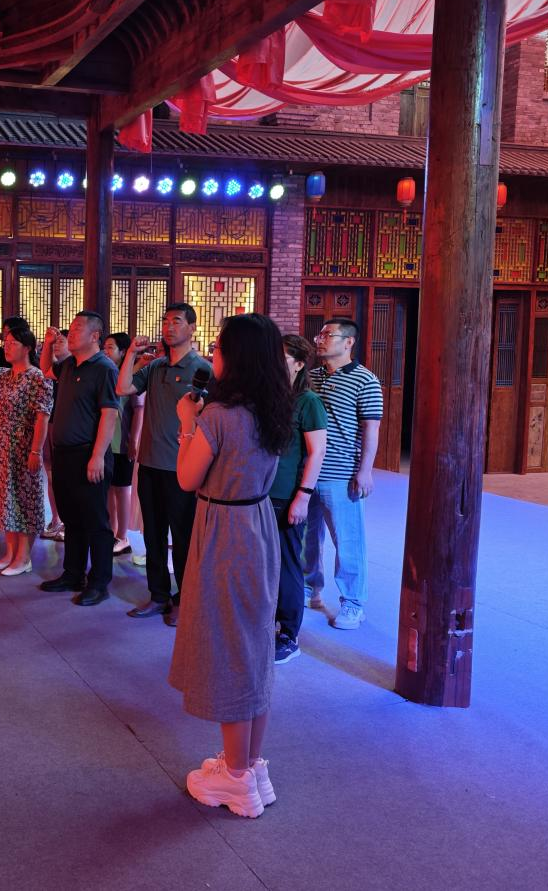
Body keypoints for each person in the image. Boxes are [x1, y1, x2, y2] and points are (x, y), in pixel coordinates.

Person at [170, 312, 292, 819]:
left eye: (218, 347)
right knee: (253, 643)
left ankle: (236, 779)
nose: (212, 354)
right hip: (258, 525)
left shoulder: (219, 416)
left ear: (235, 357)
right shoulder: (273, 408)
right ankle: (250, 765)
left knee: (228, 647)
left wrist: (186, 423)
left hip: (224, 531)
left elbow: (186, 478)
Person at [115, 303, 213, 626]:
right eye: (165, 321)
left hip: (183, 469)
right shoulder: (154, 367)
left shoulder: (203, 369)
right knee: (153, 536)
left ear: (192, 328)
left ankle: (185, 600)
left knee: (183, 539)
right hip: (150, 464)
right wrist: (131, 353)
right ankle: (158, 595)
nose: (169, 327)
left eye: (177, 321)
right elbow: (122, 388)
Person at [303, 319, 383, 630]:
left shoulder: (365, 380)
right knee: (306, 537)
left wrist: (365, 471)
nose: (320, 339)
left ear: (349, 342)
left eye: (328, 335)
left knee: (347, 541)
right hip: (307, 472)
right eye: (320, 334)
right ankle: (309, 587)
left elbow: (371, 429)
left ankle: (353, 603)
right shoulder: (311, 377)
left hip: (341, 474)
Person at [38, 312, 119, 606]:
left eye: (77, 329)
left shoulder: (104, 368)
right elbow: (46, 369)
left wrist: (97, 456)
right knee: (72, 518)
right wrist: (49, 343)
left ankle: (99, 582)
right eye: (69, 329)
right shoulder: (70, 364)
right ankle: (73, 574)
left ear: (95, 336)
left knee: (95, 521)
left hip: (88, 454)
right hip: (64, 454)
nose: (70, 333)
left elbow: (109, 414)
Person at [0, 326, 52, 575]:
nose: (6, 346)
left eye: (13, 342)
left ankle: (23, 558)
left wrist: (36, 451)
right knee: (4, 502)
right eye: (5, 342)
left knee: (23, 501)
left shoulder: (37, 377)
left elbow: (42, 417)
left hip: (23, 446)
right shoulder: (1, 374)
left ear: (28, 348)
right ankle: (9, 553)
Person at [271, 335, 327, 664]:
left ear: (299, 364)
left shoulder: (308, 402)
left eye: (281, 357)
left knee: (288, 564)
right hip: (259, 493)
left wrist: (303, 497)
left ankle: (289, 635)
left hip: (287, 494)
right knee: (264, 564)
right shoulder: (268, 397)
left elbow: (317, 452)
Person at [102, 332, 138, 556]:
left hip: (122, 442)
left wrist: (133, 439)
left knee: (122, 490)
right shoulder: (107, 373)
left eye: (110, 348)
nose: (105, 351)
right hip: (106, 442)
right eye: (104, 347)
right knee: (108, 489)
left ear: (123, 352)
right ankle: (111, 532)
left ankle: (123, 536)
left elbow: (139, 410)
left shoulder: (129, 375)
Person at [39, 329, 71, 542]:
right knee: (51, 475)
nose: (56, 344)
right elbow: (45, 369)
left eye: (61, 341)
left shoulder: (76, 366)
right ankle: (56, 518)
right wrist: (48, 343)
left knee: (65, 477)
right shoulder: (59, 368)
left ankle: (68, 521)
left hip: (67, 428)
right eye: (55, 342)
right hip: (50, 424)